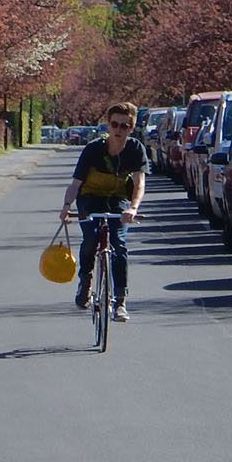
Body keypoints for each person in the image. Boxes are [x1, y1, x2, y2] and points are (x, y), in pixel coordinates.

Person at [58, 100, 146, 321]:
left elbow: (139, 183)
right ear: (108, 125)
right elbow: (76, 184)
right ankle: (85, 281)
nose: (118, 130)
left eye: (124, 126)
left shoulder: (135, 149)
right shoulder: (93, 150)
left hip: (117, 199)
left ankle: (120, 301)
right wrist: (67, 207)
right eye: (115, 124)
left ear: (132, 128)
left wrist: (133, 208)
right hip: (90, 198)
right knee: (90, 239)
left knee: (118, 245)